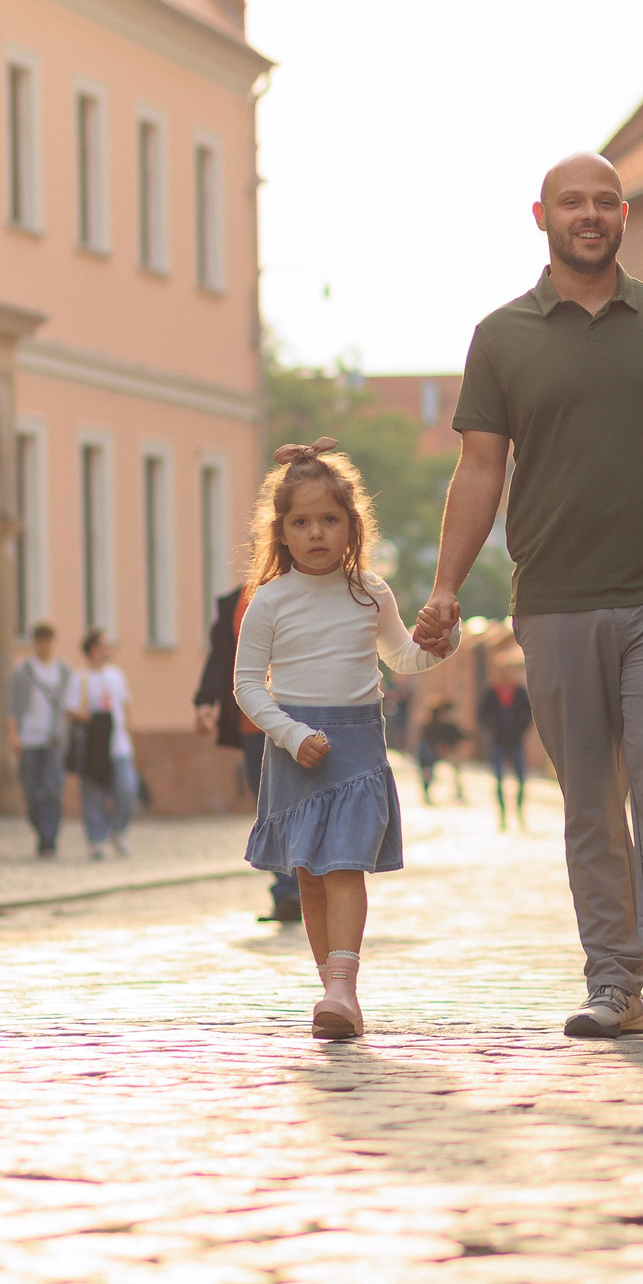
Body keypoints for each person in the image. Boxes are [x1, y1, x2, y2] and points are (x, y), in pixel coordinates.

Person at [413, 150, 643, 1041]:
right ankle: (613, 977)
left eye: (605, 201)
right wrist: (446, 587)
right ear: (541, 215)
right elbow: (479, 467)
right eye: (573, 202)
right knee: (587, 795)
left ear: (623, 215)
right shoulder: (502, 336)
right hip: (557, 596)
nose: (591, 214)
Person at [235, 437, 454, 1039]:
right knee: (308, 873)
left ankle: (342, 989)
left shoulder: (370, 592)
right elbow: (247, 685)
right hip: (296, 751)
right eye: (301, 521)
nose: (316, 533)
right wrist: (288, 732)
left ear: (351, 524)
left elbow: (402, 659)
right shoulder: (270, 600)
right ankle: (331, 986)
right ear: (280, 531)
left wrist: (442, 644)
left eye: (329, 520)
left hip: (357, 747)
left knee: (345, 867)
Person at [197, 582, 300, 923]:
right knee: (270, 809)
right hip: (251, 725)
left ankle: (309, 888)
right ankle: (289, 891)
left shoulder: (303, 591)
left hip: (301, 720)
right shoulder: (234, 602)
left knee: (302, 806)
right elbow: (222, 656)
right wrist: (205, 701)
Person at [5, 621, 75, 858]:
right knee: (32, 792)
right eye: (40, 640)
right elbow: (11, 707)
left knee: (52, 790)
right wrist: (14, 736)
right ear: (34, 643)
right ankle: (41, 830)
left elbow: (71, 705)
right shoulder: (22, 672)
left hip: (54, 740)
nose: (44, 645)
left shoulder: (64, 672)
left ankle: (49, 840)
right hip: (28, 739)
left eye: (48, 640)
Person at [68, 628, 136, 861]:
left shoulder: (116, 675)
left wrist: (128, 732)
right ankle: (96, 839)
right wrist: (89, 717)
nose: (109, 650)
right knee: (93, 793)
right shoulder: (80, 677)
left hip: (119, 745)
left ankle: (118, 831)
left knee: (127, 790)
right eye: (105, 645)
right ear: (95, 650)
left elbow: (126, 706)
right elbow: (70, 710)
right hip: (94, 746)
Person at [478, 657, 534, 829]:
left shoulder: (520, 692)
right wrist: (492, 728)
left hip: (516, 741)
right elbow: (481, 714)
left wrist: (521, 729)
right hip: (498, 741)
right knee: (499, 780)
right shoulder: (491, 691)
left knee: (521, 780)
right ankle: (502, 814)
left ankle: (519, 812)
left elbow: (530, 713)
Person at [416, 701, 463, 803]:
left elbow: (457, 735)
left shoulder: (446, 725)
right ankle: (426, 791)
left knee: (455, 769)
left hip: (437, 752)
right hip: (429, 753)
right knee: (428, 772)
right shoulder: (431, 725)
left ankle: (459, 792)